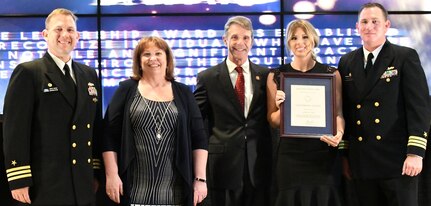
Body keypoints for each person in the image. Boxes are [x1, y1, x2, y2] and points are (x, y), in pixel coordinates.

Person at [2, 8, 103, 205]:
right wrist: (19, 179)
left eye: (70, 30)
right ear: (45, 35)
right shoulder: (29, 72)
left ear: (78, 36)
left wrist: (95, 171)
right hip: (46, 182)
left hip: (82, 182)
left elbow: (94, 127)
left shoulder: (89, 74)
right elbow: (15, 130)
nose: (65, 35)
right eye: (58, 29)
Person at [338, 3, 431, 206]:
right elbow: (344, 110)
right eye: (364, 22)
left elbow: (419, 108)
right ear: (357, 27)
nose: (369, 26)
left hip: (398, 161)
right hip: (361, 162)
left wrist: (415, 152)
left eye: (375, 22)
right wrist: (344, 155)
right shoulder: (346, 62)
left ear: (386, 25)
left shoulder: (404, 57)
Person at [102, 36, 208, 206]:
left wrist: (200, 179)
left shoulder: (183, 92)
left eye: (158, 53)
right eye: (146, 54)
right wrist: (112, 175)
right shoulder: (126, 90)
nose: (153, 59)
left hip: (176, 193)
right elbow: (109, 136)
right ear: (139, 61)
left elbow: (199, 138)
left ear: (167, 59)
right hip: (134, 190)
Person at [194, 16, 272, 206]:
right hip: (222, 165)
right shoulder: (208, 77)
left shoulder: (266, 75)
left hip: (258, 165)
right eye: (235, 37)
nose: (240, 43)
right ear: (225, 40)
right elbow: (195, 120)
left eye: (246, 38)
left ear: (252, 41)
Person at [266, 19, 345, 206]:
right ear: (288, 43)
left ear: (314, 40)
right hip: (290, 156)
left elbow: (338, 114)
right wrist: (283, 108)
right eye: (294, 38)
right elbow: (272, 120)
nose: (299, 42)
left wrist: (339, 134)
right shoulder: (275, 75)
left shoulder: (331, 73)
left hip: (323, 153)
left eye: (304, 36)